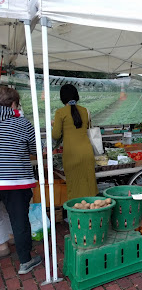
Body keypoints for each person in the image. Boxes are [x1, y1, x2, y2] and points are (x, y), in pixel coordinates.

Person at [0, 86, 42, 274]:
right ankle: (25, 261)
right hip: (15, 181)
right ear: (14, 104)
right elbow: (36, 149)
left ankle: (4, 246)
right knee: (19, 221)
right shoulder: (22, 123)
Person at [52, 84, 98, 199]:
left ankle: (77, 211)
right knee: (89, 185)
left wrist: (54, 125)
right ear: (76, 96)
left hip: (71, 154)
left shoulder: (60, 113)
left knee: (74, 186)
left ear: (62, 97)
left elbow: (56, 135)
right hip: (87, 152)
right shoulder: (85, 111)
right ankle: (92, 211)